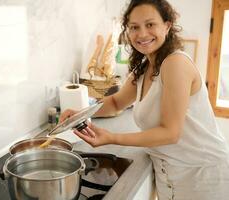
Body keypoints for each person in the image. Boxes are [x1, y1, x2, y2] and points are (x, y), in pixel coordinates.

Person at [59, 0, 229, 199]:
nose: (141, 34)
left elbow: (170, 133)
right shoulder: (144, 67)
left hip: (202, 174)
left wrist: (111, 138)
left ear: (167, 25)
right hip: (169, 173)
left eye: (150, 24)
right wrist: (79, 113)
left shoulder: (175, 63)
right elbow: (115, 103)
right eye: (134, 27)